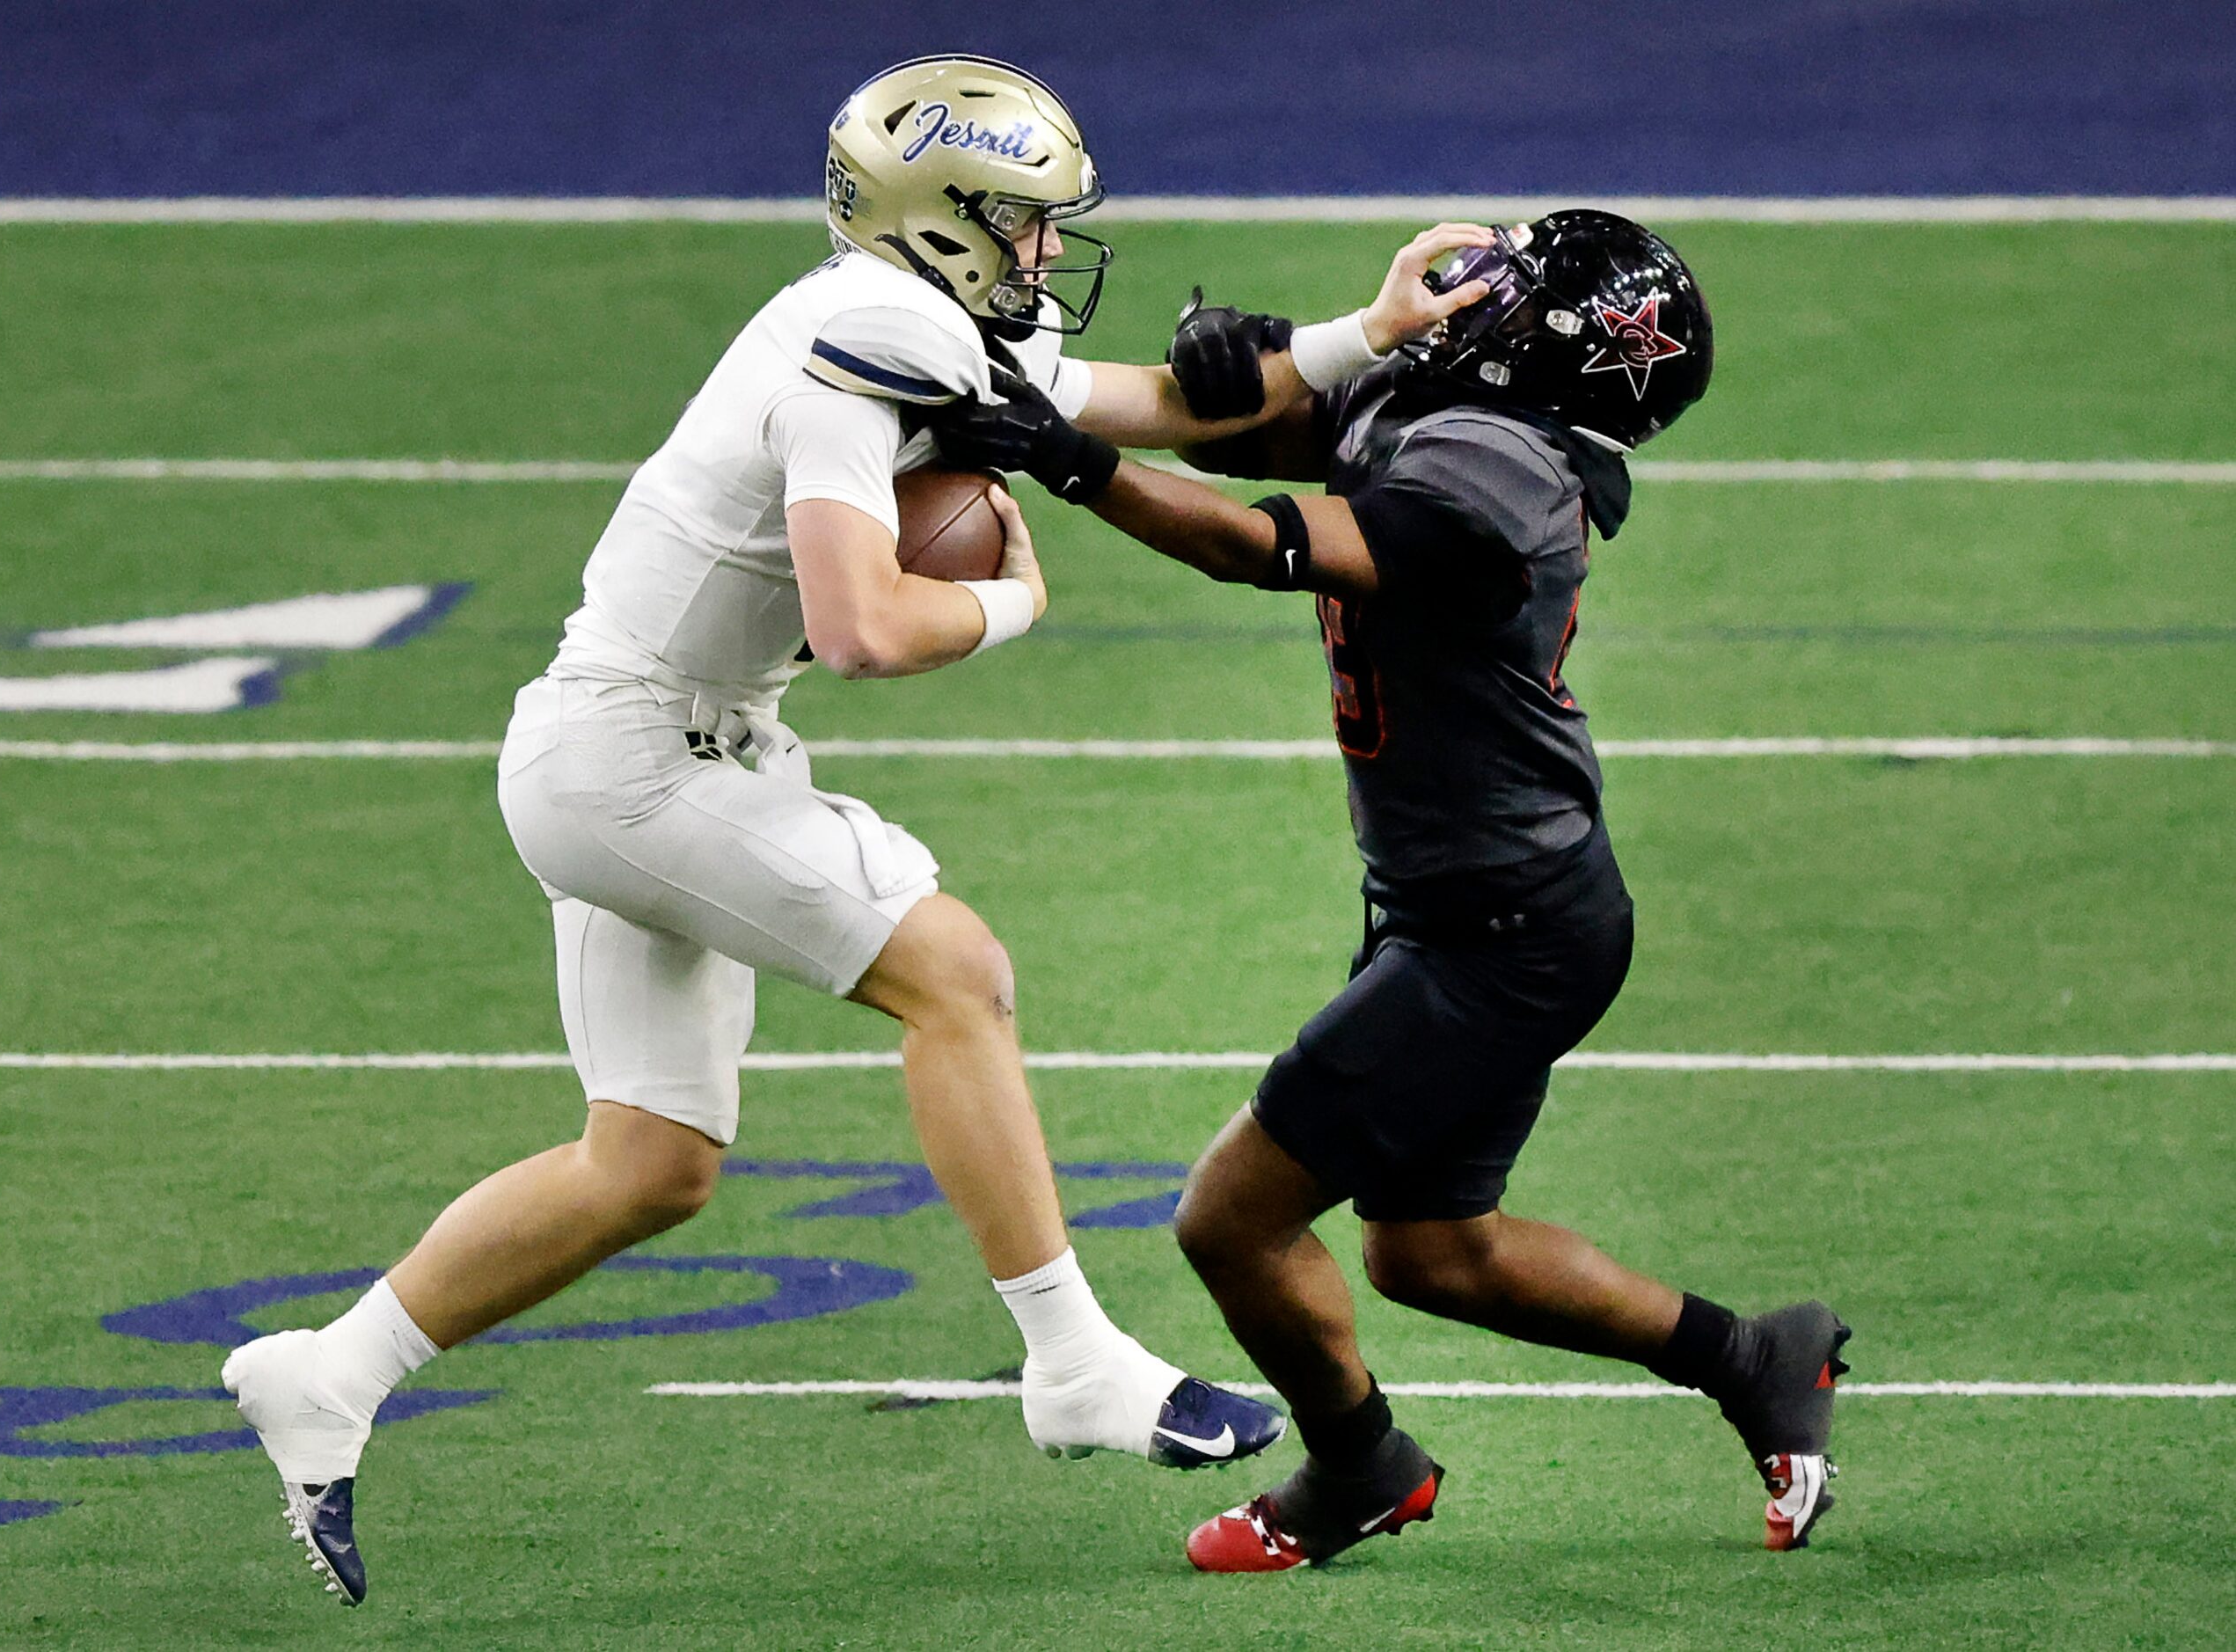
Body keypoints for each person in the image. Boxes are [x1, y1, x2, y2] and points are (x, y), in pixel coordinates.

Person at [219, 55, 1491, 1608]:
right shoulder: (866, 339)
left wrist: (1375, 329)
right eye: (1022, 224)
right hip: (638, 752)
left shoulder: (913, 313)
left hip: (627, 736)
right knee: (955, 970)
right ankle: (1072, 1359)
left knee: (649, 1163)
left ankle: (327, 1371)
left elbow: (1154, 405)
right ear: (945, 217)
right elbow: (866, 625)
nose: (1046, 254)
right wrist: (1011, 601)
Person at [927, 210, 1852, 1573]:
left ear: (1542, 344)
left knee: (1229, 1216)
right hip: (1473, 899)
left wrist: (1074, 464)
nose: (1482, 289)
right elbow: (1267, 432)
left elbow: (1263, 543)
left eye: (1514, 287)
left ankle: (1361, 1463)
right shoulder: (1452, 398)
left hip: (1505, 930)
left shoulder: (1503, 487)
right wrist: (1247, 362)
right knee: (1430, 1251)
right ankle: (1752, 1357)